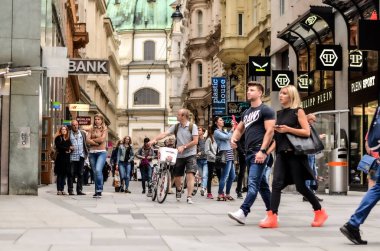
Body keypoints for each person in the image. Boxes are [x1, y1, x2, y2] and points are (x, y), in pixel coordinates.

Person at [260, 85, 328, 228]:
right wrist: (265, 151)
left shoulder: (298, 111)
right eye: (280, 93)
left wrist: (288, 129)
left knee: (301, 187)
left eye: (284, 93)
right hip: (281, 154)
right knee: (276, 184)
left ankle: (319, 211)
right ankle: (272, 217)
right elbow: (277, 138)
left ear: (291, 96)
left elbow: (306, 132)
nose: (281, 96)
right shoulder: (278, 113)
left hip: (295, 154)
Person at [228, 81, 275, 224]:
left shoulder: (266, 110)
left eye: (252, 90)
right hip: (248, 153)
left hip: (258, 151)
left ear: (260, 93)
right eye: (248, 90)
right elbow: (240, 128)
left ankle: (243, 211)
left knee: (252, 183)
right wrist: (233, 138)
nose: (248, 92)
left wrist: (263, 151)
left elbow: (270, 131)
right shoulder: (247, 112)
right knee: (263, 186)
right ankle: (273, 213)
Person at [148, 108, 199, 204]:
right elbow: (165, 134)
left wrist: (184, 146)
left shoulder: (193, 126)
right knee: (178, 176)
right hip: (179, 155)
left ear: (183, 116)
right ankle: (179, 190)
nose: (177, 116)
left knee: (190, 174)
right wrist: (154, 140)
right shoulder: (176, 127)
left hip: (190, 154)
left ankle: (189, 196)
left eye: (178, 114)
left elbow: (195, 141)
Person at [213, 116, 236, 201]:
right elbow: (227, 137)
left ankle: (227, 193)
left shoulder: (223, 131)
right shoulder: (216, 132)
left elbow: (230, 137)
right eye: (220, 120)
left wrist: (232, 129)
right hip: (225, 154)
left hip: (230, 153)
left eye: (222, 120)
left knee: (232, 176)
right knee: (225, 176)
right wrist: (233, 128)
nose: (222, 121)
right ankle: (220, 194)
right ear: (216, 122)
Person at [303, 113, 323, 202]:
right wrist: (319, 137)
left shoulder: (309, 127)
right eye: (313, 120)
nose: (314, 122)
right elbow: (308, 138)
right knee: (309, 172)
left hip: (312, 152)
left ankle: (311, 193)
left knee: (313, 173)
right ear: (308, 119)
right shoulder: (305, 127)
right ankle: (308, 194)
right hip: (309, 152)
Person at [87, 113, 108, 198]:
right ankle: (97, 191)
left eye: (98, 119)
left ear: (102, 120)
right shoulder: (91, 128)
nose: (97, 121)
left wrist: (92, 140)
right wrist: (96, 142)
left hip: (101, 152)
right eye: (95, 119)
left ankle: (99, 190)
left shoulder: (104, 129)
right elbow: (87, 140)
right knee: (95, 172)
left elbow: (102, 139)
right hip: (92, 153)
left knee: (99, 170)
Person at [67, 120, 88, 195]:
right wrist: (69, 147)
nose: (75, 126)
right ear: (71, 126)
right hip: (72, 157)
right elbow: (66, 143)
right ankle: (70, 190)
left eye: (76, 125)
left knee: (80, 173)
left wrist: (85, 154)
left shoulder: (82, 133)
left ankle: (79, 190)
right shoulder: (68, 133)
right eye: (73, 125)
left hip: (81, 156)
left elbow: (85, 143)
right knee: (71, 174)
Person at [54, 126, 72, 195]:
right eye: (62, 129)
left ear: (67, 131)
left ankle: (62, 189)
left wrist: (70, 149)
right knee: (60, 174)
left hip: (67, 159)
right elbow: (59, 147)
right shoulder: (58, 138)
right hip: (60, 158)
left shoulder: (68, 139)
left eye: (65, 129)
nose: (64, 130)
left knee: (64, 174)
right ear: (60, 130)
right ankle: (59, 190)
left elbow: (70, 146)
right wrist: (67, 149)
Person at [205, 126, 221, 199]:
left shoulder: (217, 139)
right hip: (211, 160)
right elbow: (207, 151)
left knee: (220, 176)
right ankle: (209, 192)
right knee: (210, 176)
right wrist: (214, 157)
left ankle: (221, 192)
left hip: (218, 160)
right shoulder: (208, 139)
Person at [196, 127, 208, 196]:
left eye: (199, 130)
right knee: (201, 175)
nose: (198, 131)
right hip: (198, 160)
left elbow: (207, 149)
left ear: (203, 132)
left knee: (204, 175)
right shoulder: (195, 140)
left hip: (205, 160)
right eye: (197, 130)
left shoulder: (206, 140)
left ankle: (203, 188)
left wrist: (201, 153)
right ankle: (204, 187)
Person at [235, 134, 247, 199]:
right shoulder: (242, 130)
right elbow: (237, 142)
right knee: (241, 173)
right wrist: (242, 153)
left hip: (250, 153)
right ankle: (239, 191)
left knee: (251, 173)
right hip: (243, 154)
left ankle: (250, 190)